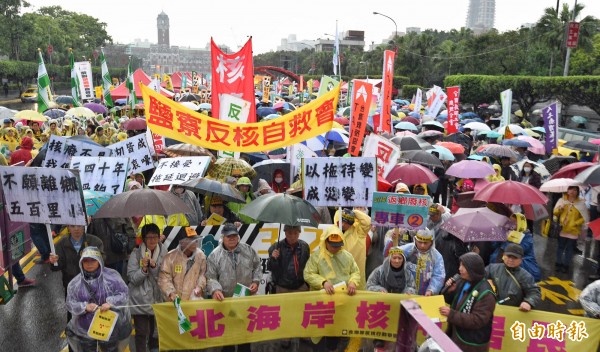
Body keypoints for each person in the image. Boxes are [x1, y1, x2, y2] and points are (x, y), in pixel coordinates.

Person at [303, 226, 360, 352]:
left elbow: (355, 272)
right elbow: (308, 274)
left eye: (338, 245)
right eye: (333, 245)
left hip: (341, 303)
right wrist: (322, 282)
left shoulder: (347, 256)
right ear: (325, 242)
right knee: (319, 334)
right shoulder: (316, 257)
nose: (336, 248)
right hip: (321, 304)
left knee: (336, 333)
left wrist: (352, 282)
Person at [206, 223, 261, 352]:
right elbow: (210, 277)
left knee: (245, 337)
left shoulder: (248, 250)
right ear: (223, 237)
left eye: (234, 236)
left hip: (245, 301)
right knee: (228, 339)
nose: (232, 238)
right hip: (225, 303)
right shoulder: (215, 255)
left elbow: (257, 267)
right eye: (228, 236)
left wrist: (256, 281)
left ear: (238, 236)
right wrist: (215, 290)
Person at [65, 246, 131, 352]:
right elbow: (70, 303)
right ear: (81, 263)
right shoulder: (75, 283)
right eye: (86, 261)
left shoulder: (112, 277)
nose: (89, 264)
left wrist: (110, 303)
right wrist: (85, 307)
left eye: (93, 260)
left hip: (109, 327)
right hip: (85, 330)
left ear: (99, 261)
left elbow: (124, 293)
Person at [439, 253, 496, 352]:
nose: (460, 269)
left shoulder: (486, 293)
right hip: (456, 335)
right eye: (460, 265)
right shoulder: (462, 281)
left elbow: (477, 320)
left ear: (473, 269)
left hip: (471, 343)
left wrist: (451, 314)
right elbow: (453, 303)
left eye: (463, 266)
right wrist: (449, 291)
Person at [267, 224, 310, 349]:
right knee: (284, 313)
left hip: (301, 285)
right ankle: (286, 337)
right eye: (290, 233)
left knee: (302, 312)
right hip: (283, 286)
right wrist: (273, 258)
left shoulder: (305, 246)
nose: (292, 236)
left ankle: (303, 334)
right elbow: (270, 268)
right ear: (285, 233)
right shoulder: (275, 247)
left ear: (299, 233)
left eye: (295, 233)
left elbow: (308, 265)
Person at [367, 246, 416, 352]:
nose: (397, 261)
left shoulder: (407, 273)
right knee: (382, 339)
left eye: (400, 258)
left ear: (403, 259)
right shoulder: (379, 271)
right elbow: (369, 285)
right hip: (383, 309)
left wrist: (409, 292)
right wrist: (379, 289)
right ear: (389, 258)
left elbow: (412, 286)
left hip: (400, 309)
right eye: (394, 258)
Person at [127, 224, 167, 352]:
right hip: (140, 299)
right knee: (142, 332)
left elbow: (165, 275)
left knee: (156, 331)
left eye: (155, 237)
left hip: (157, 298)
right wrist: (143, 270)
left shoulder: (164, 252)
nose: (152, 240)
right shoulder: (136, 253)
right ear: (143, 238)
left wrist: (154, 268)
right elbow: (132, 279)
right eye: (149, 237)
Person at [485, 243, 541, 311]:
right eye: (509, 256)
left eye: (515, 258)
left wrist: (528, 302)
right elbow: (476, 279)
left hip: (513, 312)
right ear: (503, 255)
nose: (511, 260)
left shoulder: (526, 276)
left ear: (521, 259)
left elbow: (534, 292)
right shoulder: (492, 268)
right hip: (491, 309)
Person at [489, 213, 541, 282]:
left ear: (521, 223)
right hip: (501, 261)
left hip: (523, 265)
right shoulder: (507, 231)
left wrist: (507, 239)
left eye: (514, 222)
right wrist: (499, 236)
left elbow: (515, 250)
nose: (511, 224)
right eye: (510, 221)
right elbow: (494, 245)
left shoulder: (526, 237)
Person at [158, 235, 207, 302]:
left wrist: (200, 286)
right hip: (174, 302)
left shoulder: (201, 255)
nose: (194, 242)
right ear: (182, 242)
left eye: (195, 239)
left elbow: (203, 274)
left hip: (194, 301)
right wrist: (171, 293)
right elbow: (164, 278)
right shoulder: (170, 257)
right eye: (191, 240)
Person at [399, 228, 445, 296]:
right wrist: (392, 240)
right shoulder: (408, 249)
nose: (422, 245)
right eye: (420, 242)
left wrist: (431, 290)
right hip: (405, 292)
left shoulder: (437, 256)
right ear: (415, 240)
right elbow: (392, 256)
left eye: (425, 243)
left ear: (431, 242)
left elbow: (439, 275)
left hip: (425, 295)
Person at [554, 186, 589, 273]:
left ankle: (566, 265)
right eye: (571, 189)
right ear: (567, 190)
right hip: (563, 229)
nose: (573, 191)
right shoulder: (562, 200)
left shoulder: (581, 203)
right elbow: (555, 212)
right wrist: (560, 208)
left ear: (577, 192)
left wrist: (576, 223)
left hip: (573, 230)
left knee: (569, 249)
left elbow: (584, 217)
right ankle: (558, 263)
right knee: (560, 247)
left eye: (575, 190)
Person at [335, 208, 371, 289]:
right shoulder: (334, 229)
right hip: (338, 270)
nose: (343, 224)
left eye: (346, 222)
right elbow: (337, 213)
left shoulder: (359, 231)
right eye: (342, 221)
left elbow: (368, 222)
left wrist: (354, 212)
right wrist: (345, 211)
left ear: (351, 223)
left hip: (355, 270)